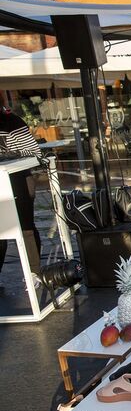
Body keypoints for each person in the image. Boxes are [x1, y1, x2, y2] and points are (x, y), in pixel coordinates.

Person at [0, 104, 44, 284]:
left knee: (26, 227)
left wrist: (9, 155)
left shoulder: (12, 122)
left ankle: (34, 273)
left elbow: (34, 152)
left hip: (19, 181)